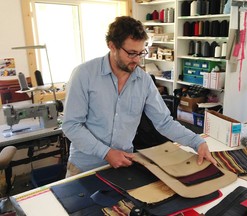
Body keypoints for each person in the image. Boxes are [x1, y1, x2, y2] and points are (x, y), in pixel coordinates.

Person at [62, 16, 216, 177]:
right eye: (131, 53)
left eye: (141, 53)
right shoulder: (84, 74)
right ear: (112, 46)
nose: (137, 60)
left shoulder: (144, 81)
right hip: (85, 168)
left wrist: (197, 142)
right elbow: (71, 125)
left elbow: (164, 122)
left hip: (122, 166)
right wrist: (106, 152)